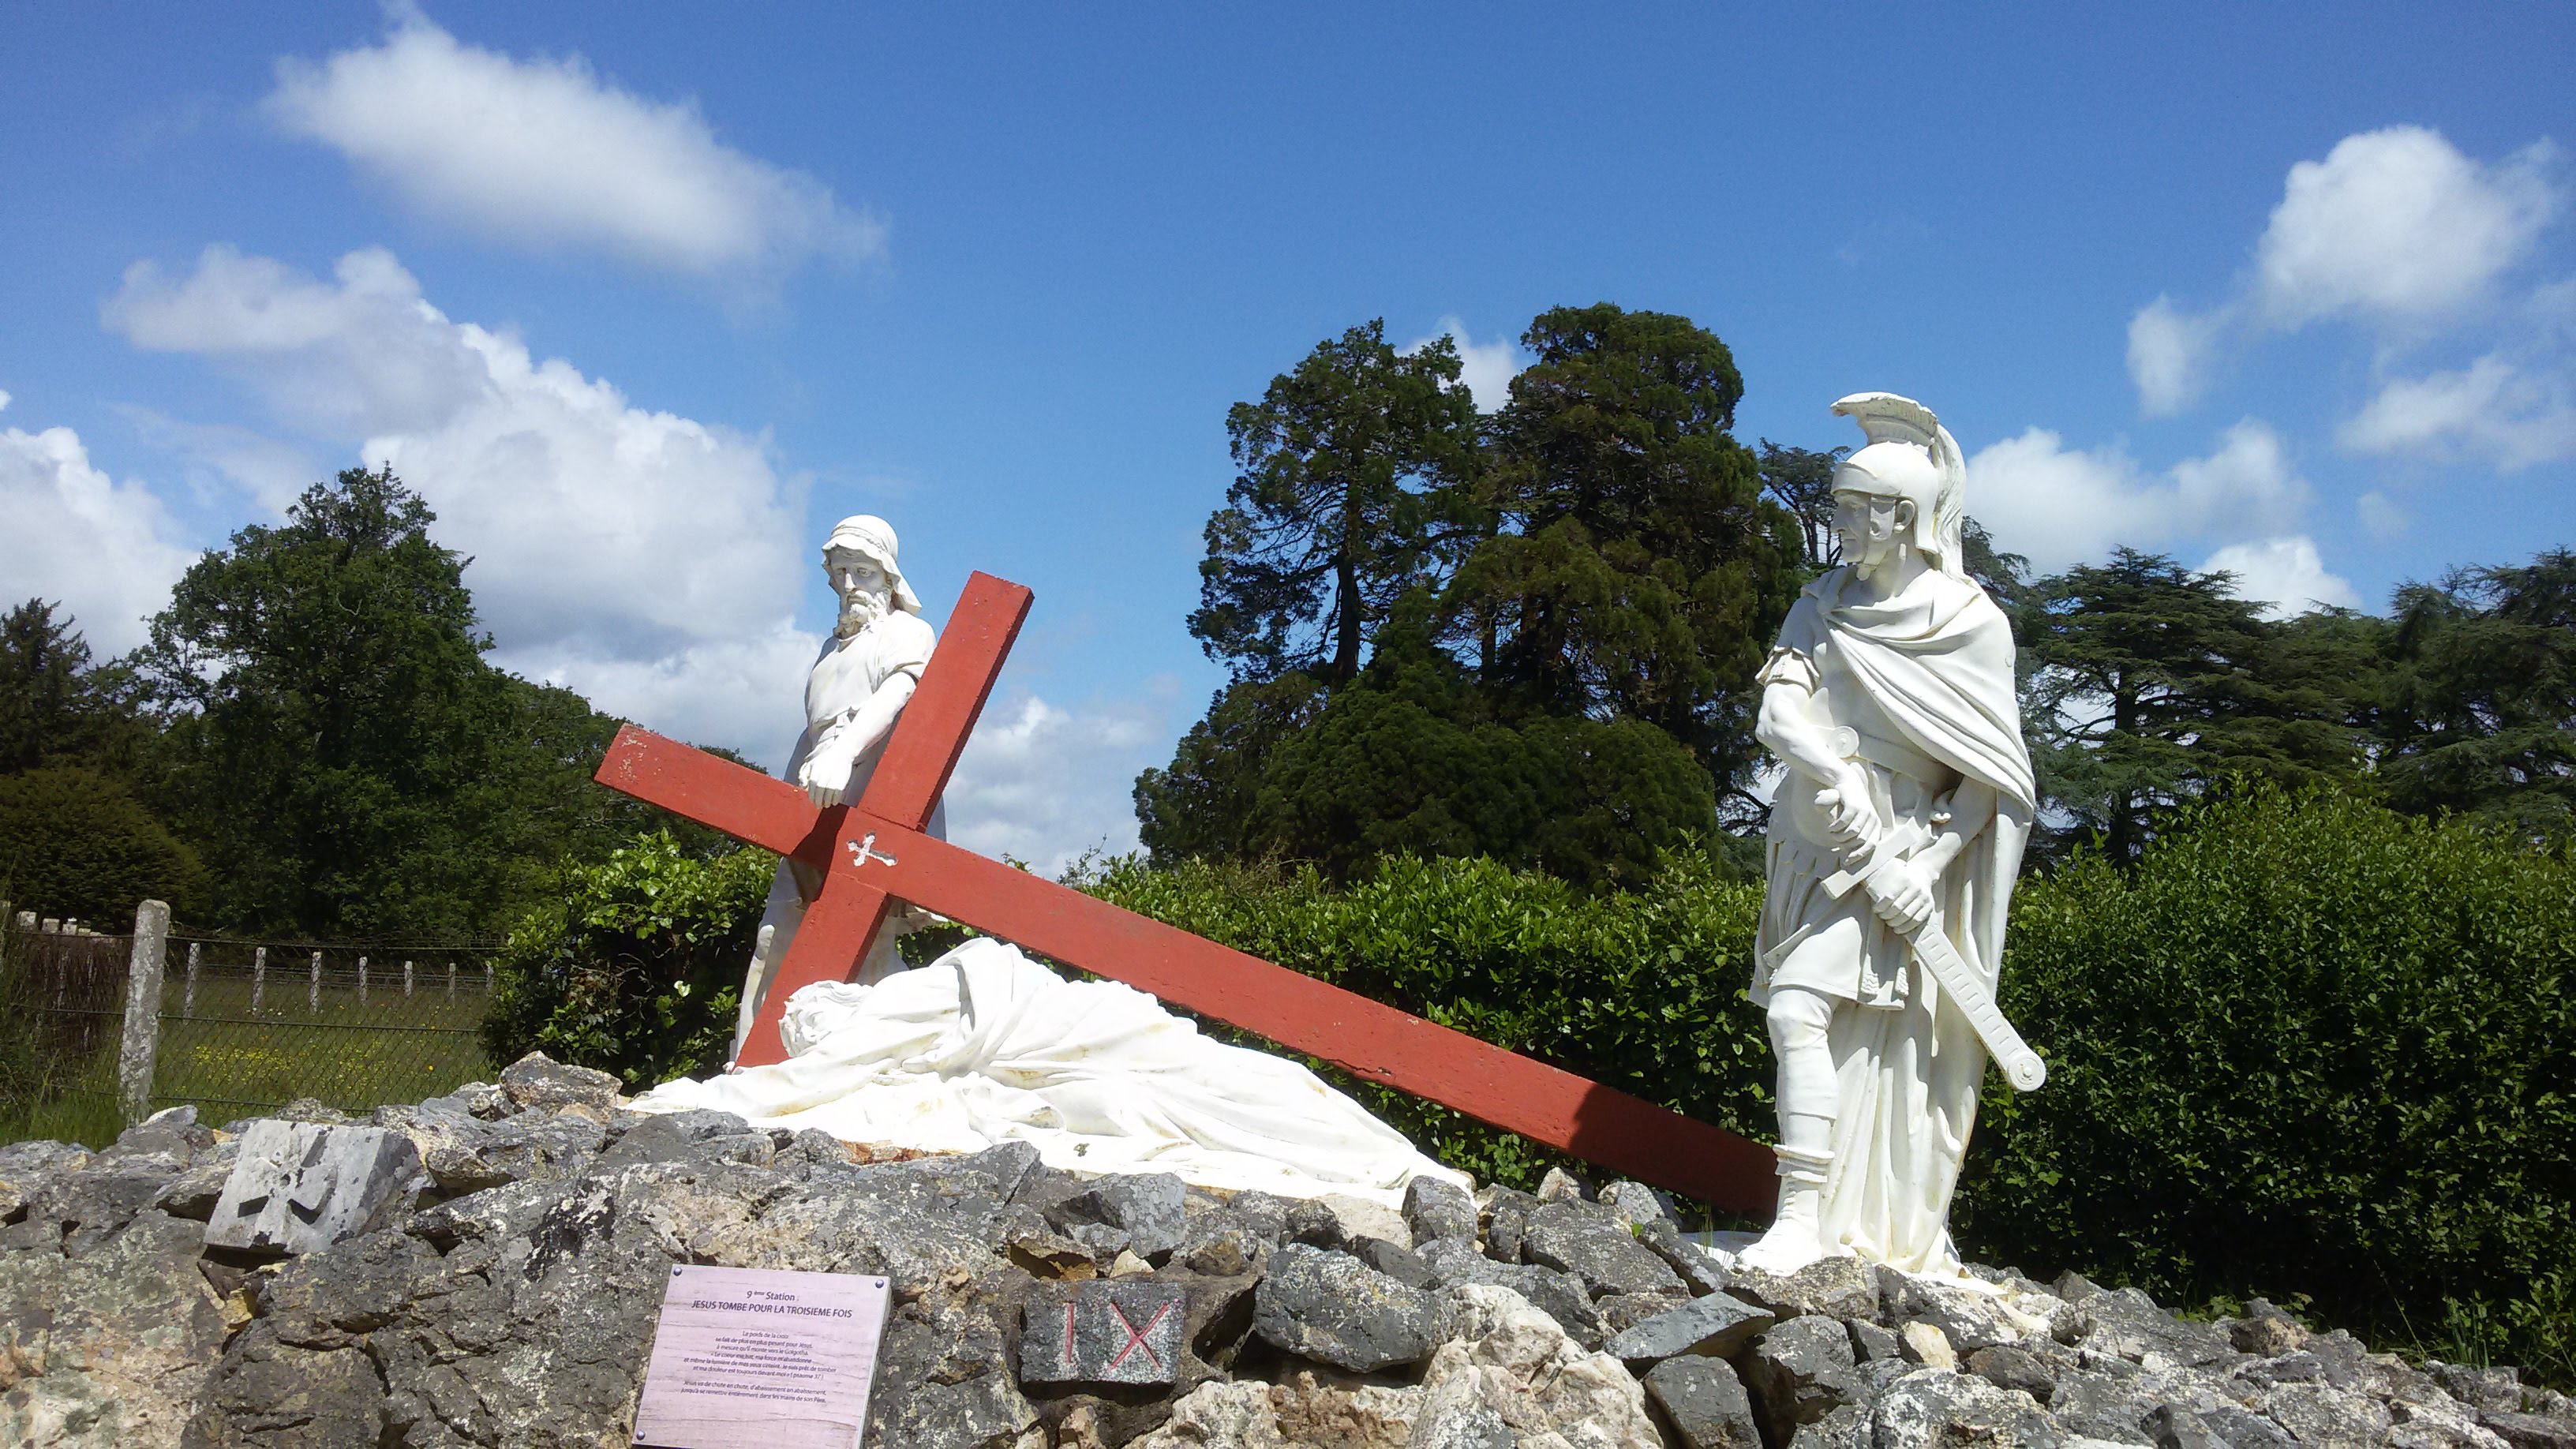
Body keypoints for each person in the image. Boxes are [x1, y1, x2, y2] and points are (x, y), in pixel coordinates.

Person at [1735, 393, 2036, 1277]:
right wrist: (1833, 773)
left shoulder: (1971, 624)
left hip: (1899, 857)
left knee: (1798, 1010)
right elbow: (1778, 713)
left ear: (1901, 517)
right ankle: (1830, 1213)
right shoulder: (1819, 605)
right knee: (1814, 1024)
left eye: (1850, 508)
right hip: (1815, 844)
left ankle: (1803, 1219)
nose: (1835, 523)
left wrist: (1930, 862)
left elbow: (1993, 777)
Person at [731, 515, 941, 1060]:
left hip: (872, 789)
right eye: (841, 571)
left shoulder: (908, 633)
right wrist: (788, 802)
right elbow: (813, 731)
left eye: (863, 572)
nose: (850, 584)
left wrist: (844, 753)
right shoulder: (831, 647)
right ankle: (751, 1063)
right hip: (814, 791)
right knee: (777, 934)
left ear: (889, 576)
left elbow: (897, 693)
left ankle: (879, 1058)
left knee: (864, 938)